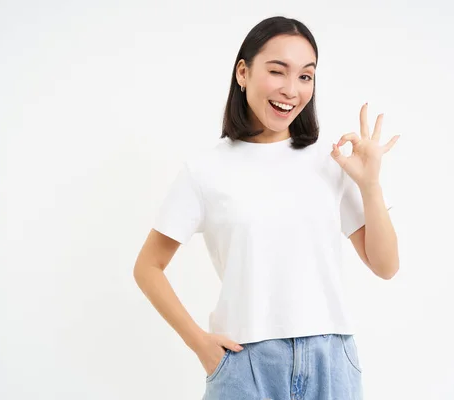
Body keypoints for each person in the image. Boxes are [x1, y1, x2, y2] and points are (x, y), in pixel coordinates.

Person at [133, 15, 400, 400]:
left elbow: (386, 266)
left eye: (305, 76)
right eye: (278, 71)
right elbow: (148, 267)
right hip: (246, 364)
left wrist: (370, 184)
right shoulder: (205, 171)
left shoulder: (333, 162)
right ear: (243, 72)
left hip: (331, 360)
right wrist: (200, 344)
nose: (292, 89)